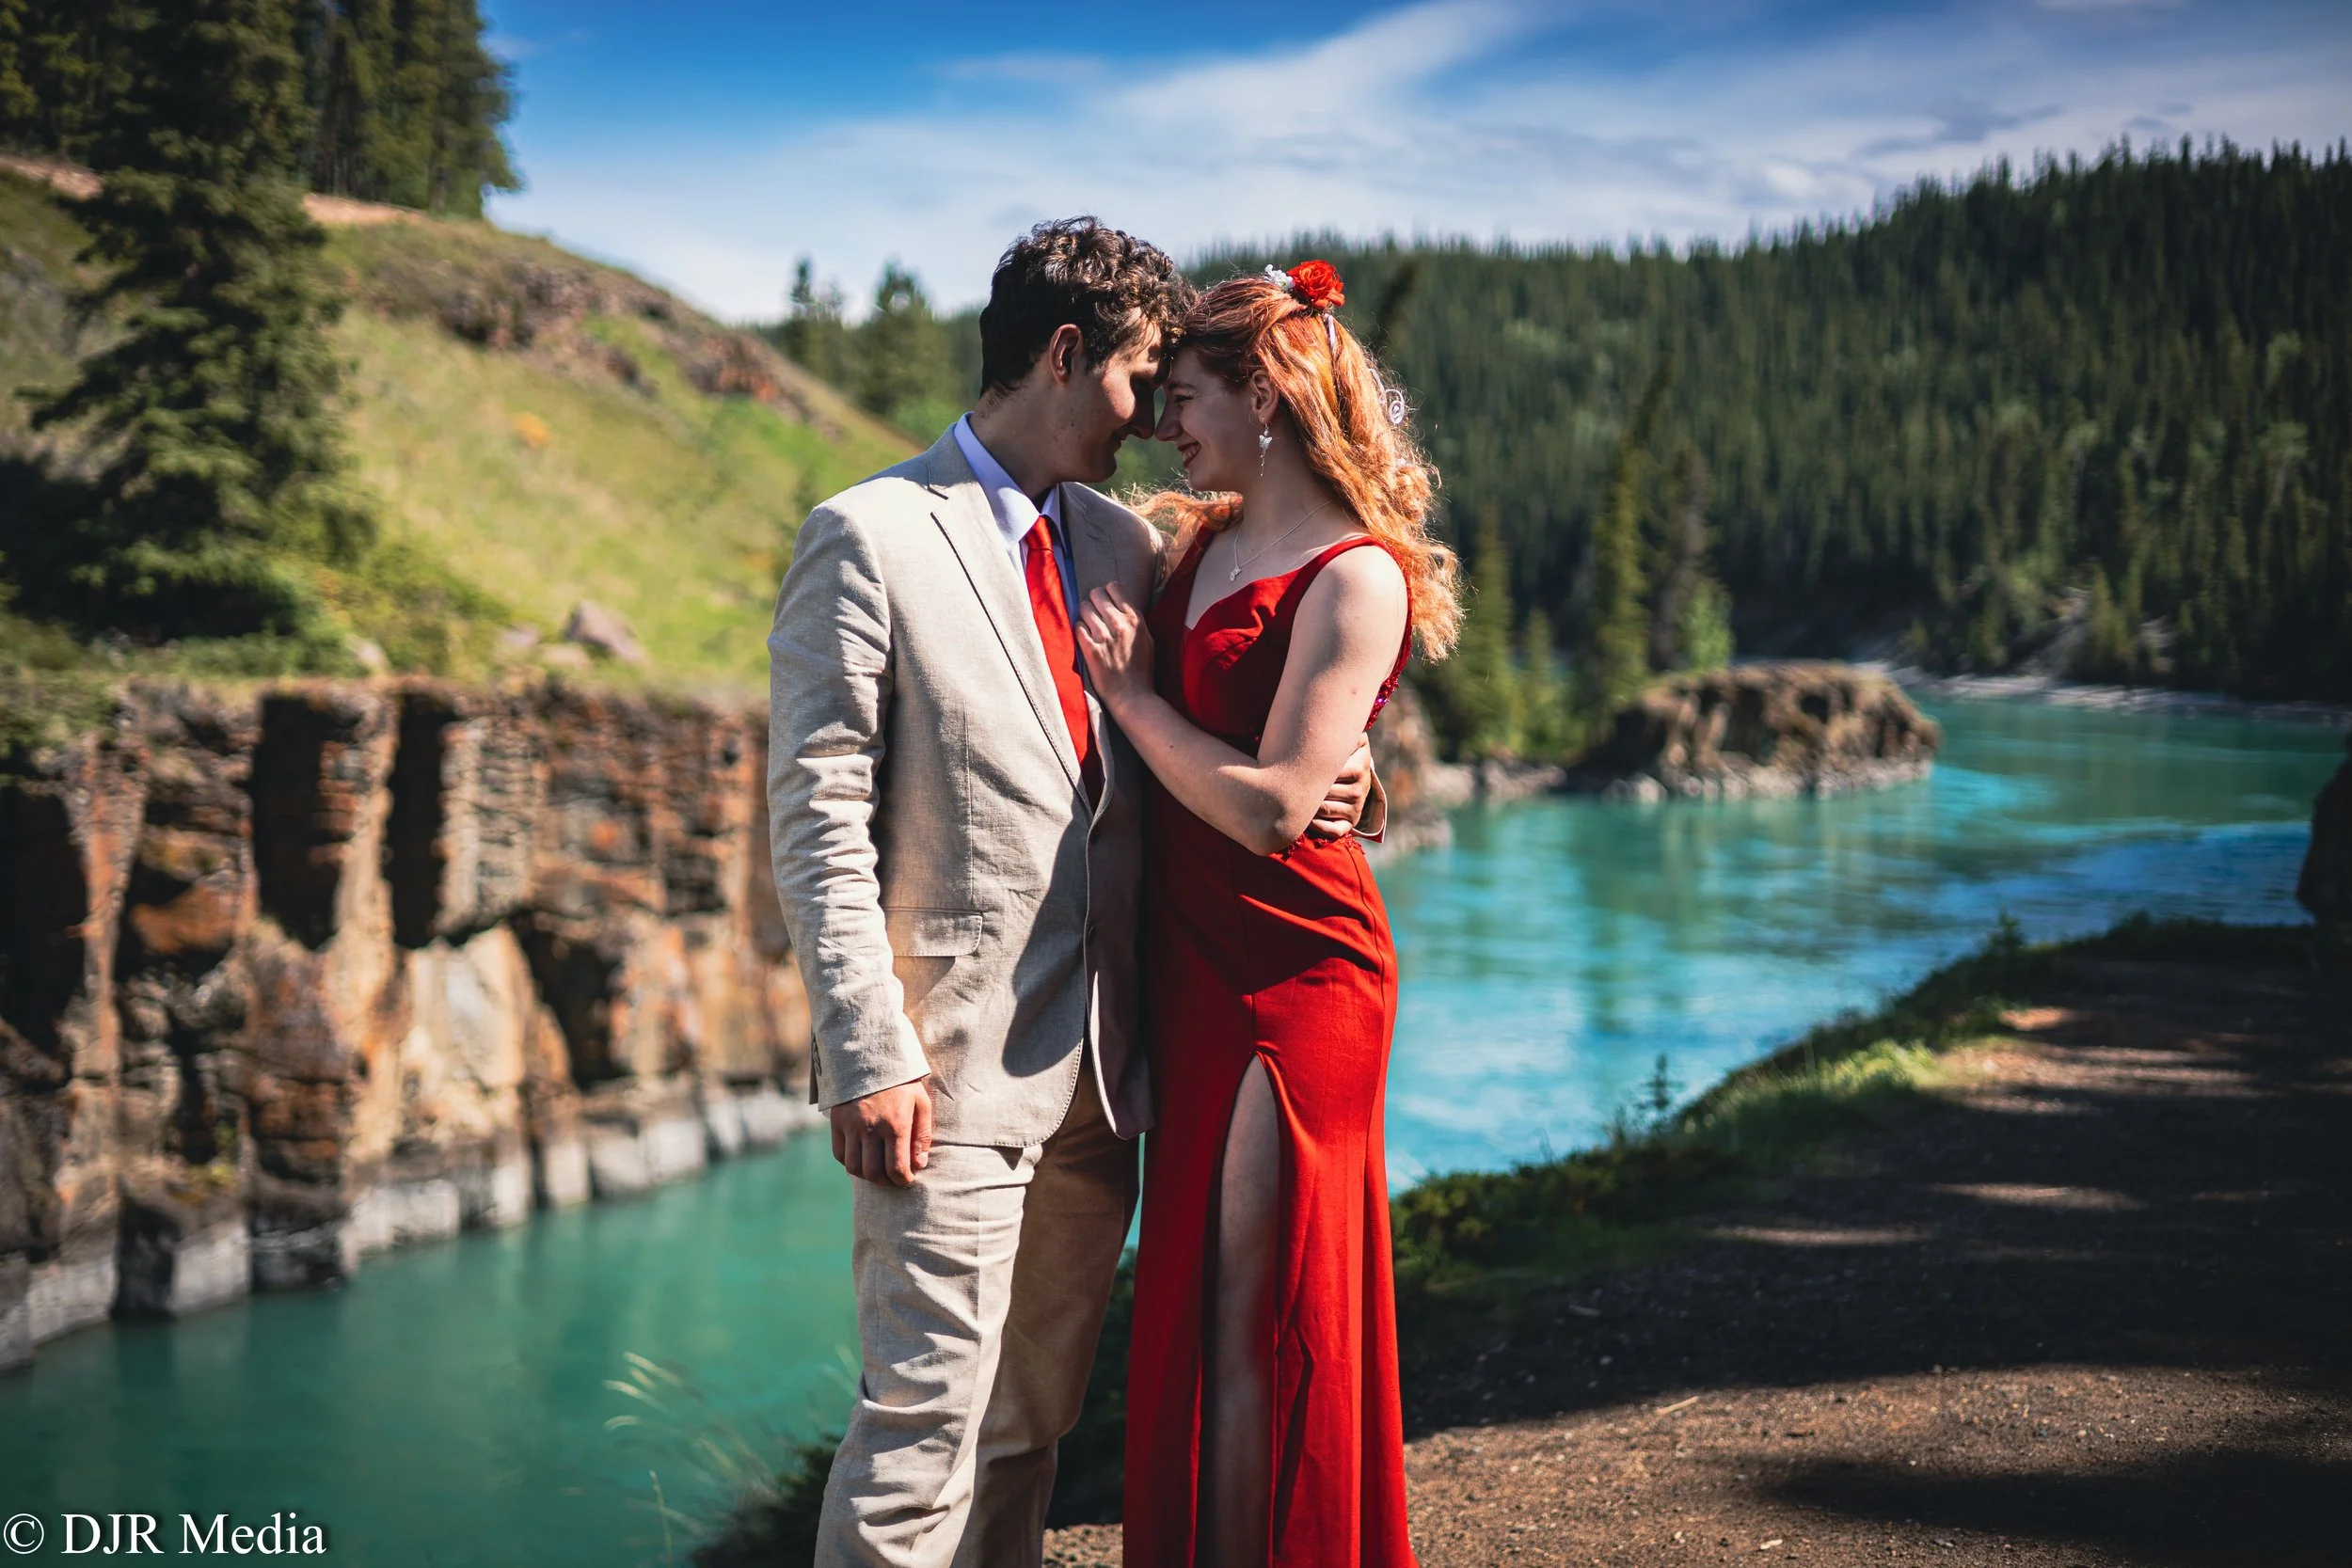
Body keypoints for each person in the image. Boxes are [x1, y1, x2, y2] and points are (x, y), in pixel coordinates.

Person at [765, 220, 1381, 1568]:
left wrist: (1353, 775)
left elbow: (1221, 718)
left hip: (1106, 1084)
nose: (1156, 415)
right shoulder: (868, 534)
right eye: (1141, 375)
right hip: (943, 1079)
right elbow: (815, 820)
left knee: (1026, 1435)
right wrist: (867, 1052)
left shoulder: (1124, 545)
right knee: (918, 1440)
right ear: (1064, 353)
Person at [1076, 261, 1460, 1568]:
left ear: (1265, 394)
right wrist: (1357, 782)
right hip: (1191, 962)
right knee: (1194, 1298)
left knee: (1261, 1304)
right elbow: (1281, 760)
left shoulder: (1357, 577)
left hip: (1301, 972)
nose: (1164, 423)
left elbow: (1272, 808)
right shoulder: (1197, 542)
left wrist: (1136, 700)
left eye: (1185, 394)